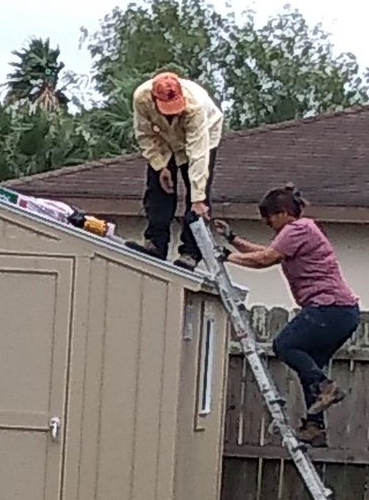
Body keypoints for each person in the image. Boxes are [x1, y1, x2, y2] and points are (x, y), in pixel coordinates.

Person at [215, 186, 360, 447]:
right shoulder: (299, 232)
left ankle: (327, 388)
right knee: (309, 366)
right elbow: (267, 253)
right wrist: (232, 239)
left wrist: (228, 257)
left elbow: (265, 259)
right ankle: (315, 427)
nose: (267, 223)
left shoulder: (298, 230)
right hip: (342, 313)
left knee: (285, 345)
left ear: (282, 213)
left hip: (330, 308)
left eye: (268, 217)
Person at [127, 71, 224, 270]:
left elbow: (198, 155)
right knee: (157, 187)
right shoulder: (141, 98)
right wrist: (160, 166)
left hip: (203, 133)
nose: (172, 113)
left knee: (197, 192)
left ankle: (190, 252)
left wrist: (198, 199)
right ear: (154, 99)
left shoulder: (195, 107)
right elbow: (144, 134)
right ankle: (155, 243)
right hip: (163, 137)